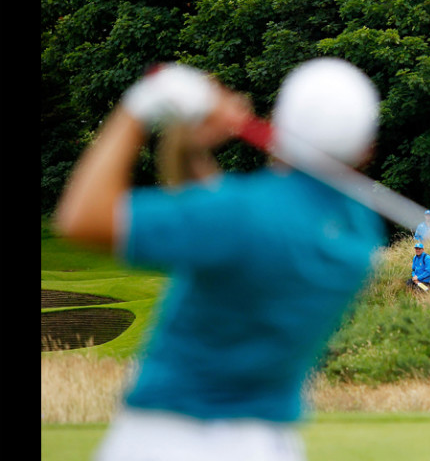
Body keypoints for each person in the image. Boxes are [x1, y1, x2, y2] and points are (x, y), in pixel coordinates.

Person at [55, 59, 383, 461]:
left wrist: (140, 107)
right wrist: (189, 144)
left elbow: (80, 218)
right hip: (269, 444)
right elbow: (218, 216)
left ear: (277, 127)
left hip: (164, 439)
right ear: (367, 148)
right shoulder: (360, 234)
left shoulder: (238, 214)